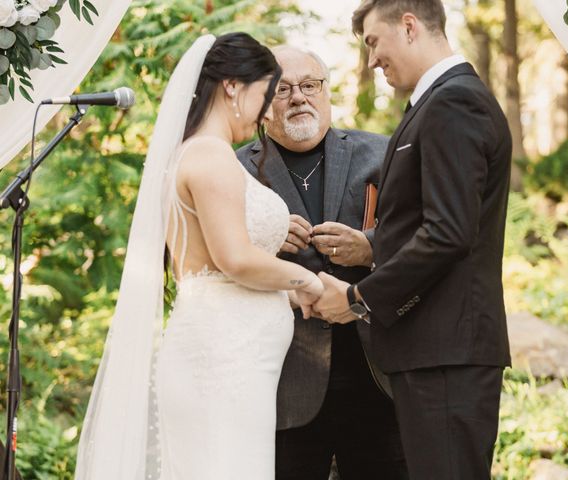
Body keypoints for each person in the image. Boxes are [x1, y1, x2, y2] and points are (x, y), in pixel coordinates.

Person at [74, 33, 323, 480]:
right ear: (232, 86)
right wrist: (307, 281)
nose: (268, 112)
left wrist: (282, 295)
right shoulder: (210, 156)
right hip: (224, 363)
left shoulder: (196, 154)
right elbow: (235, 260)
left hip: (231, 357)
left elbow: (210, 271)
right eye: (265, 94)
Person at [313, 1, 513, 479]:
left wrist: (358, 299)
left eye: (372, 43)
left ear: (408, 27)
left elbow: (448, 233)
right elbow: (440, 218)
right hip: (435, 350)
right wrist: (372, 246)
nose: (371, 60)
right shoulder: (436, 102)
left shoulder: (452, 103)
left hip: (446, 351)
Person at [236, 46, 408, 480]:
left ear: (326, 91)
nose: (298, 97)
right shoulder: (234, 171)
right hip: (283, 384)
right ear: (261, 101)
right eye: (282, 89)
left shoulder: (381, 153)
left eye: (309, 85)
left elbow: (420, 237)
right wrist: (262, 247)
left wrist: (369, 246)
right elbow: (215, 259)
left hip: (375, 376)